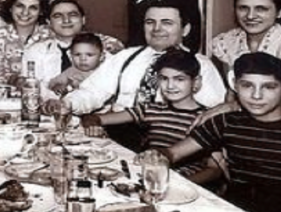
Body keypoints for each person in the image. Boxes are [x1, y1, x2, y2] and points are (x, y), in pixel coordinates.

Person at [47, 2, 226, 150]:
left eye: (167, 23)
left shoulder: (201, 65)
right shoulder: (126, 56)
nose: (157, 29)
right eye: (150, 22)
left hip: (170, 139)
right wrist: (67, 104)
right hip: (117, 132)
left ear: (185, 29)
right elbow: (93, 92)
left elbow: (212, 114)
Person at [162, 52, 281, 212]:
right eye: (247, 85)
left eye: (269, 87)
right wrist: (155, 157)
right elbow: (173, 153)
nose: (256, 95)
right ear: (235, 85)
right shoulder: (226, 122)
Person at [82, 49, 223, 185]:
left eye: (179, 79)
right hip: (149, 178)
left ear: (196, 82)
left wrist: (180, 184)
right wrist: (92, 124)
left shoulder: (207, 119)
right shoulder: (151, 109)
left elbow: (214, 170)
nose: (170, 86)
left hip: (187, 184)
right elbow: (95, 118)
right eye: (164, 79)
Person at [22, 0, 123, 98]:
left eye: (73, 15)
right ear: (49, 22)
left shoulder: (104, 51)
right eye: (58, 16)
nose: (66, 20)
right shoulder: (35, 51)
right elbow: (30, 88)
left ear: (83, 20)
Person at [0, 0, 55, 85]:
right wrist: (15, 81)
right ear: (11, 8)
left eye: (33, 8)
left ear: (41, 11)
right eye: (20, 6)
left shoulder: (51, 36)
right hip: (5, 92)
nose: (25, 12)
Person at [212, 0, 281, 79]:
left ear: (279, 12)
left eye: (261, 9)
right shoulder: (224, 43)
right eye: (243, 8)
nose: (250, 16)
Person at [45, 32, 106, 99]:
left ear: (101, 56)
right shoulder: (71, 71)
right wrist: (57, 87)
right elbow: (52, 83)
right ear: (71, 56)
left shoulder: (104, 71)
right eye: (77, 54)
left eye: (89, 55)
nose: (83, 59)